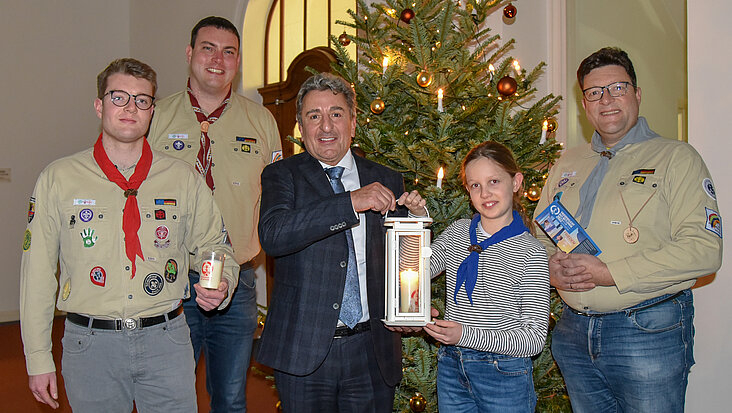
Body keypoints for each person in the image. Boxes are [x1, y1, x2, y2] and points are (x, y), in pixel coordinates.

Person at [20, 58, 238, 412]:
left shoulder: (182, 179)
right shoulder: (58, 179)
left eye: (142, 100)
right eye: (118, 97)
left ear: (152, 111)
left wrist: (221, 282)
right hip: (91, 345)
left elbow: (214, 244)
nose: (130, 108)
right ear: (99, 105)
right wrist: (38, 356)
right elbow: (38, 273)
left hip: (166, 341)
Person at [534, 47, 723, 412]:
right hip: (573, 333)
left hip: (646, 330)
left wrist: (609, 273)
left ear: (637, 94)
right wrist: (550, 268)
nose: (606, 100)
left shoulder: (676, 158)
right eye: (594, 92)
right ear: (584, 104)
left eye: (617, 88)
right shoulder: (568, 162)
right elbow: (542, 233)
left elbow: (704, 250)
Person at [256, 72, 427, 412]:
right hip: (304, 352)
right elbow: (274, 235)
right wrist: (351, 202)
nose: (326, 127)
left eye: (336, 113)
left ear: (353, 121)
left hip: (372, 350)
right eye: (313, 116)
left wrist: (416, 221)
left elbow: (401, 258)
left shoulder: (387, 179)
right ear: (300, 128)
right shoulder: (281, 175)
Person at [148, 16, 282, 412]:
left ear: (237, 62)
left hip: (236, 283)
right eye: (208, 48)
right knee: (169, 397)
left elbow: (276, 199)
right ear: (190, 54)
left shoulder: (261, 121)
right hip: (169, 281)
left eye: (229, 52)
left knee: (230, 397)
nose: (217, 60)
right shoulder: (154, 118)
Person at [424, 141, 550, 412]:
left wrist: (464, 335)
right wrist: (415, 220)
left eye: (494, 181)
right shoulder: (458, 233)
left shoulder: (531, 252)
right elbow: (414, 270)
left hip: (503, 373)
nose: (485, 193)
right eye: (475, 185)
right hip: (451, 365)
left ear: (516, 182)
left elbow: (534, 337)